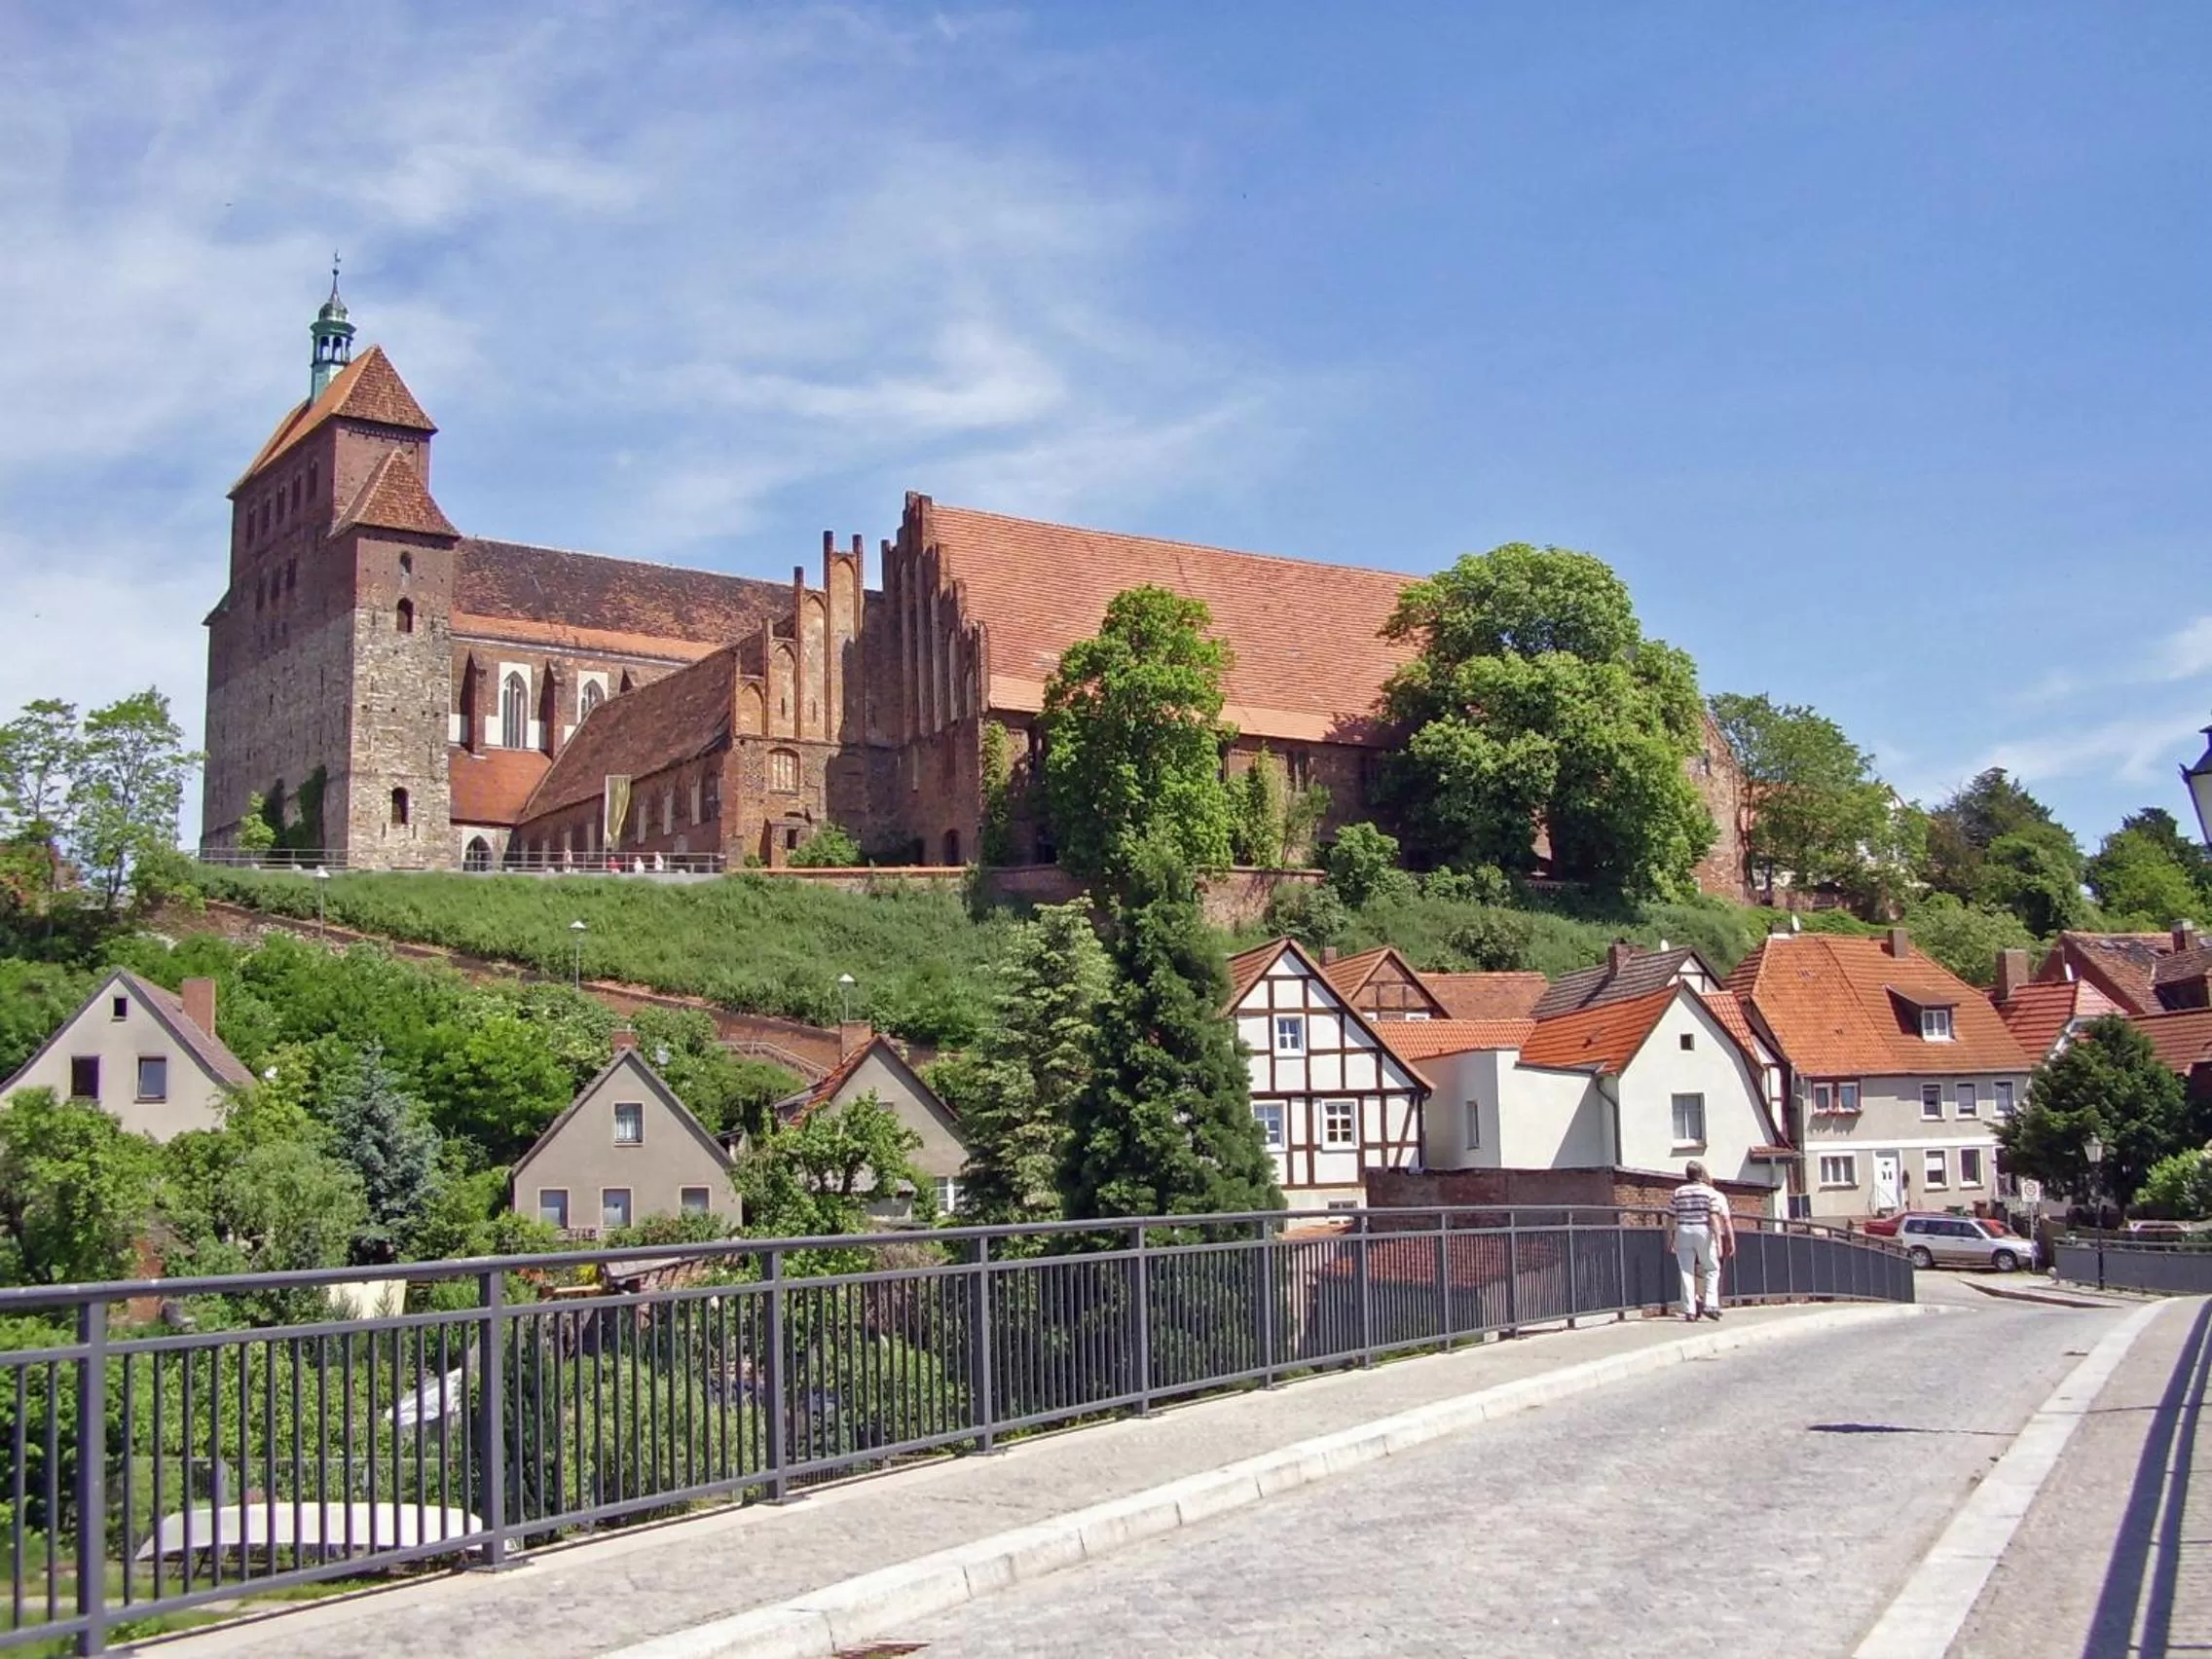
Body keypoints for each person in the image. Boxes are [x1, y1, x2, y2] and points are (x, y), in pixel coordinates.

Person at [1670, 1161, 1734, 1321]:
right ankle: (1711, 1304)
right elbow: (1713, 1217)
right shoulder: (1709, 1192)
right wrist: (1718, 1240)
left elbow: (1671, 1217)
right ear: (1701, 1175)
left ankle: (1689, 1310)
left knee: (1686, 1271)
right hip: (1703, 1230)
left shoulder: (1678, 1192)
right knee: (1712, 1268)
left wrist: (1670, 1238)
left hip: (1683, 1230)